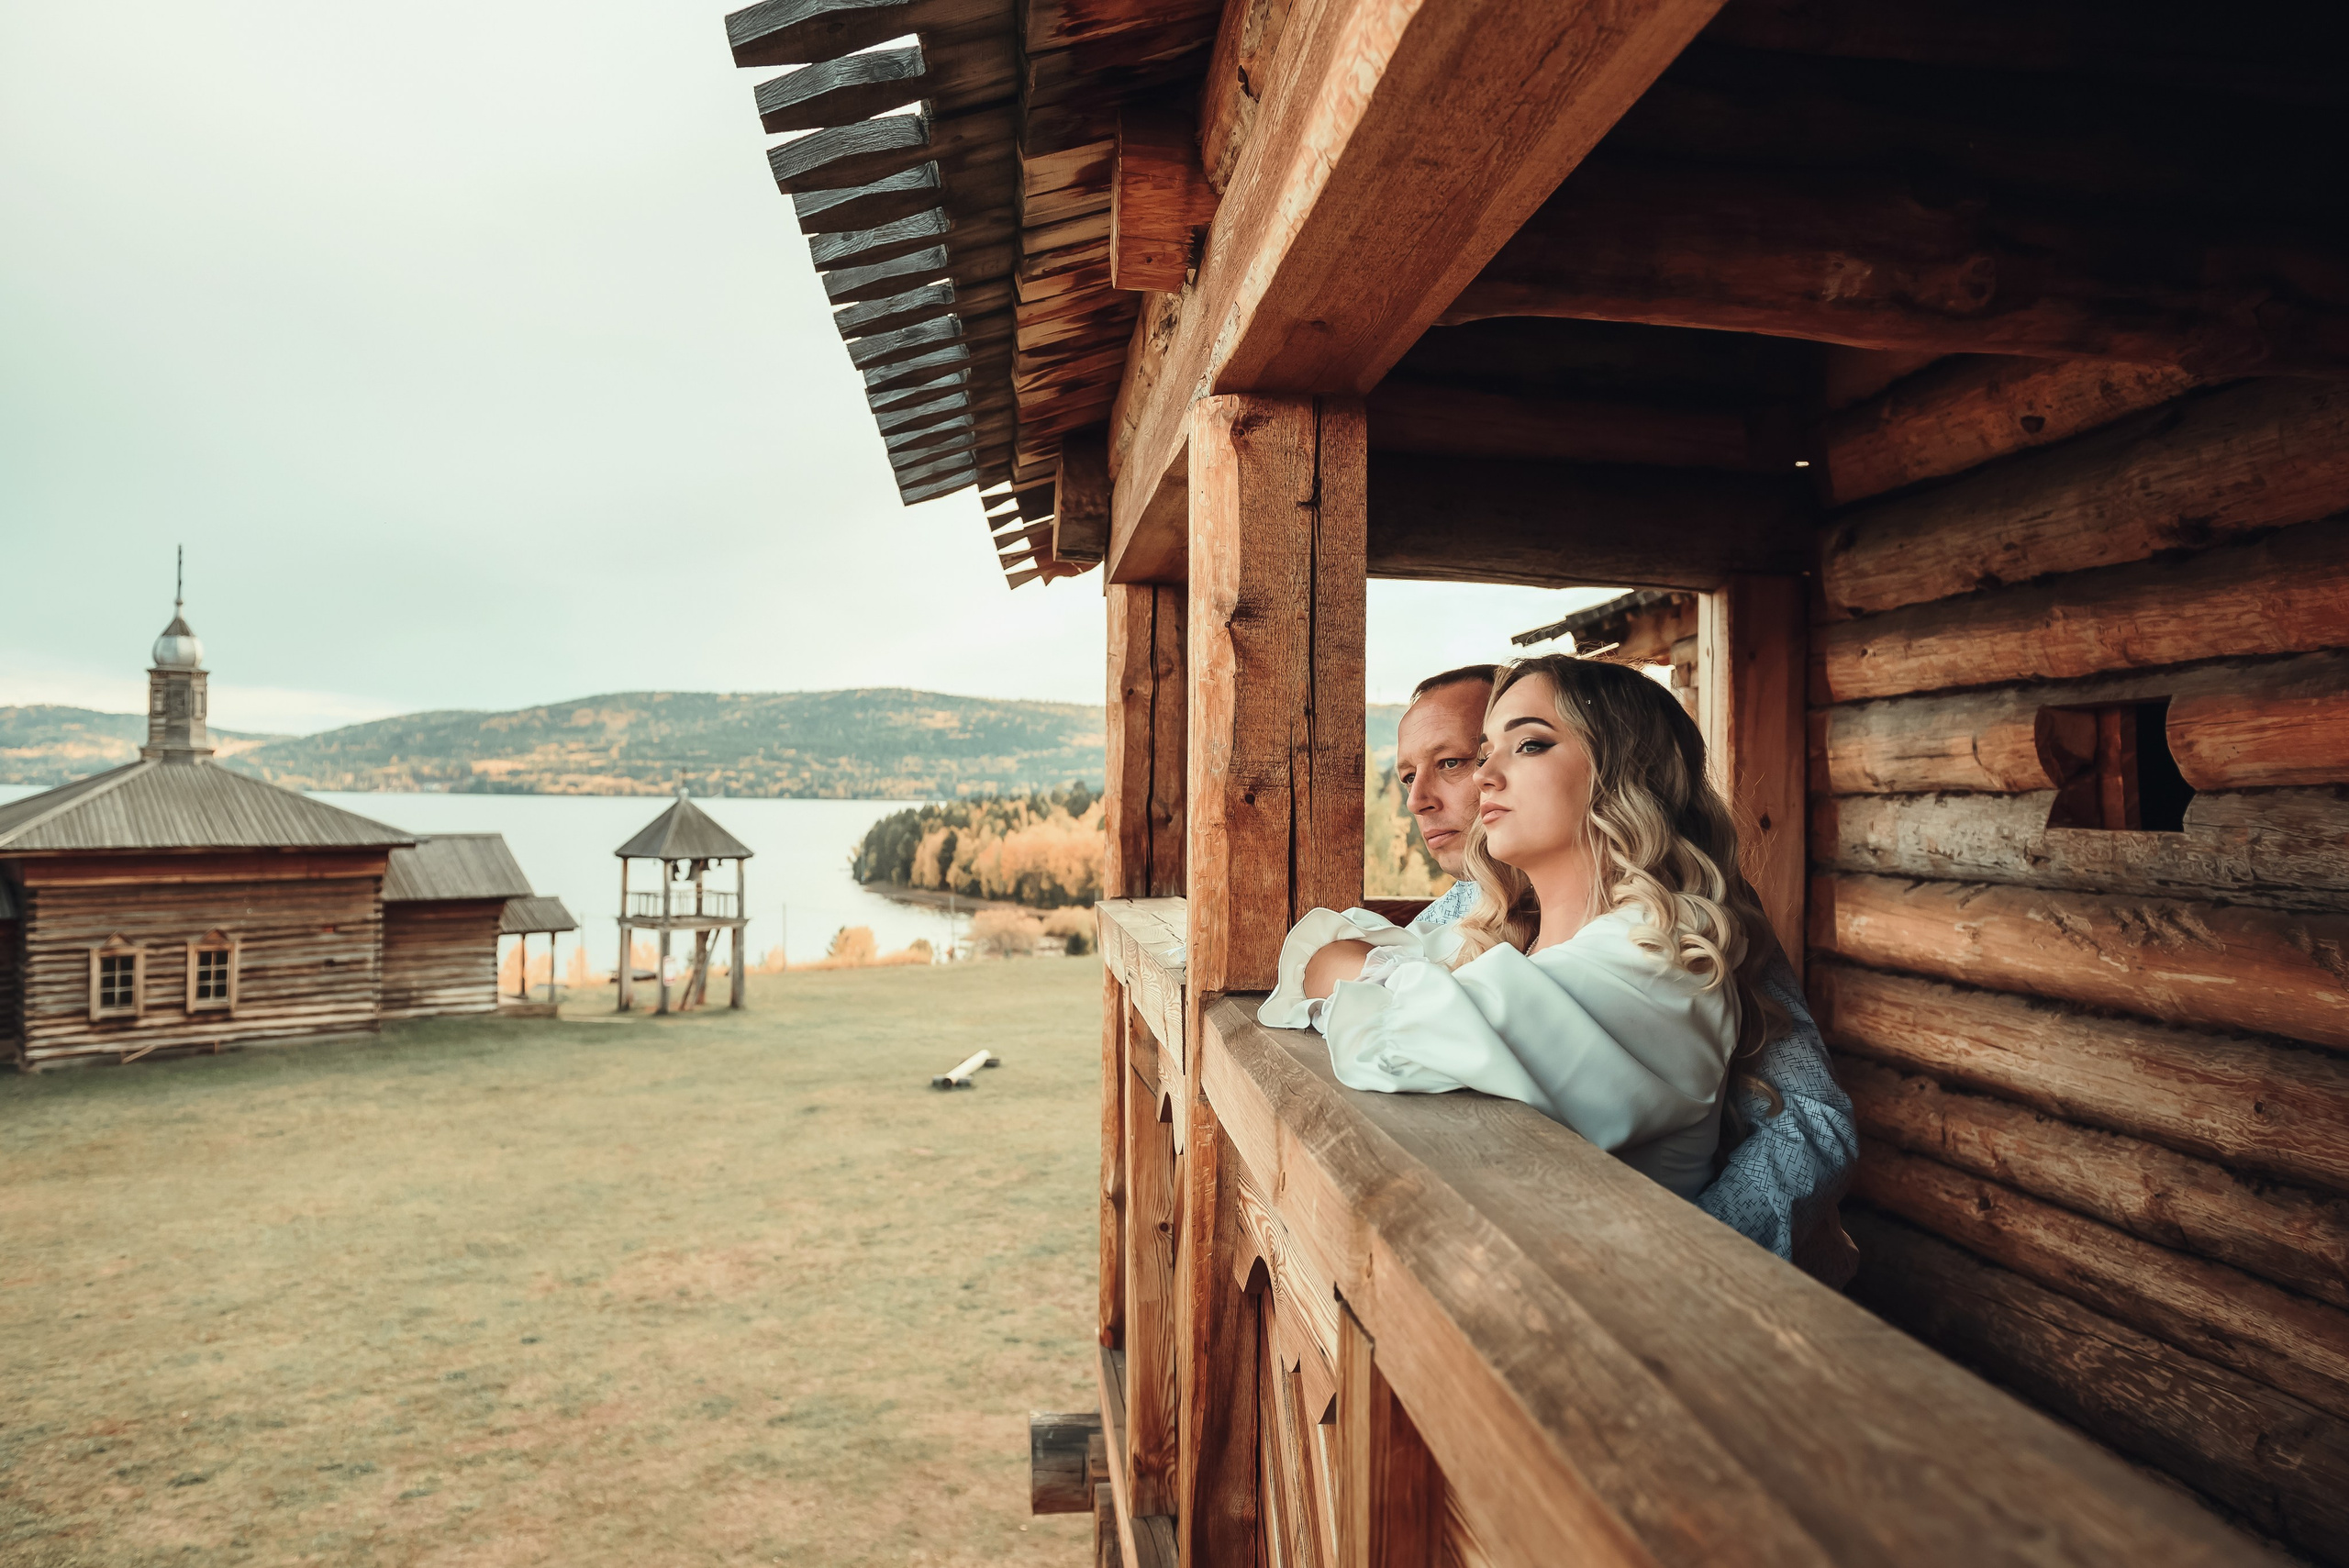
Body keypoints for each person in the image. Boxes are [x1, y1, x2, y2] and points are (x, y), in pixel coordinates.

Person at [1296, 658, 1854, 1266]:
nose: (1474, 780)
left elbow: (1809, 1120)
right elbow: (1323, 963)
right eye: (1483, 753)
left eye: (1457, 759)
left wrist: (1691, 1271)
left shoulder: (1671, 945)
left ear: (1622, 773)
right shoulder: (1479, 911)